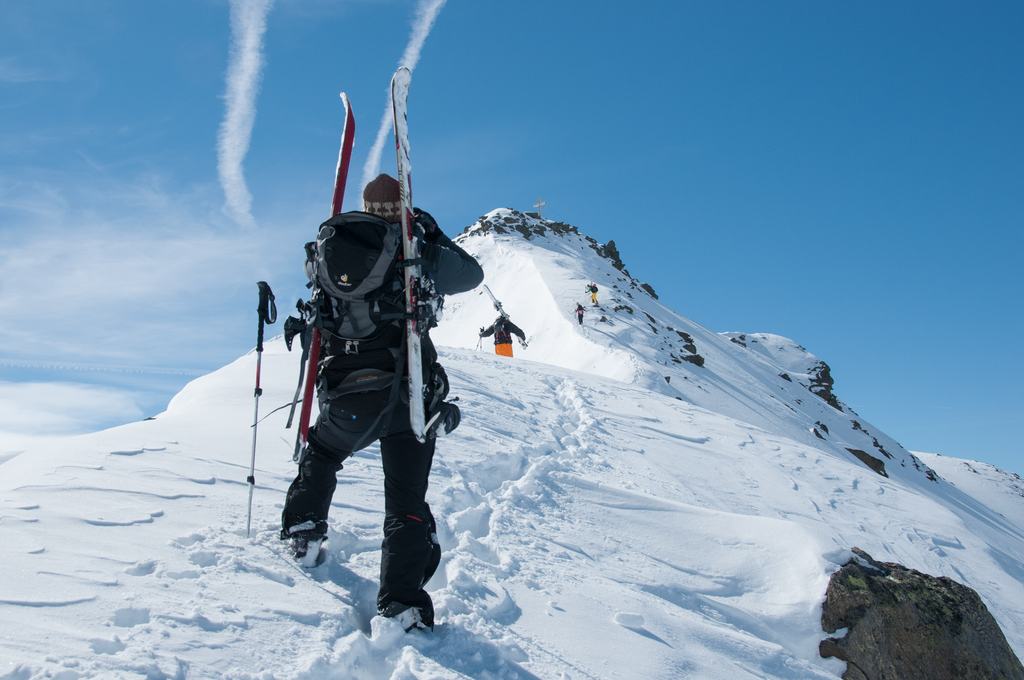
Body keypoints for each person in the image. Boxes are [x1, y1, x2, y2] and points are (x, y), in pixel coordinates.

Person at [281, 173, 484, 632]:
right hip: (407, 398)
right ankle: (401, 603)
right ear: (404, 206)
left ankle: (304, 529)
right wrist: (431, 233)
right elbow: (472, 275)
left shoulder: (332, 252)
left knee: (323, 451)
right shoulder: (415, 252)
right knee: (405, 498)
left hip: (347, 392)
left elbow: (317, 308)